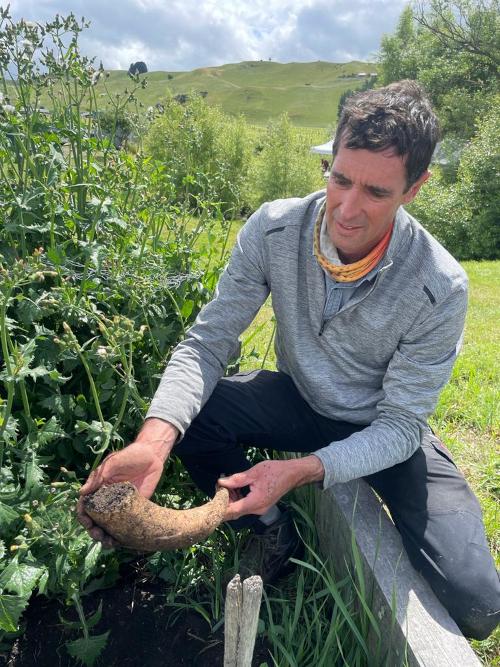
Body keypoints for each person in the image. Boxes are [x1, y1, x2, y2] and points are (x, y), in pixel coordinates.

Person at [78, 80, 500, 640]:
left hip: (385, 428)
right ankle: (269, 528)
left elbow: (402, 424)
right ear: (329, 159)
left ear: (414, 188)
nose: (346, 210)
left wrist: (305, 469)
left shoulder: (440, 285)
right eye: (339, 178)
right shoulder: (275, 228)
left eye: (375, 192)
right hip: (298, 397)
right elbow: (209, 340)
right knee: (189, 417)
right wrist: (154, 442)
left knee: (478, 606)